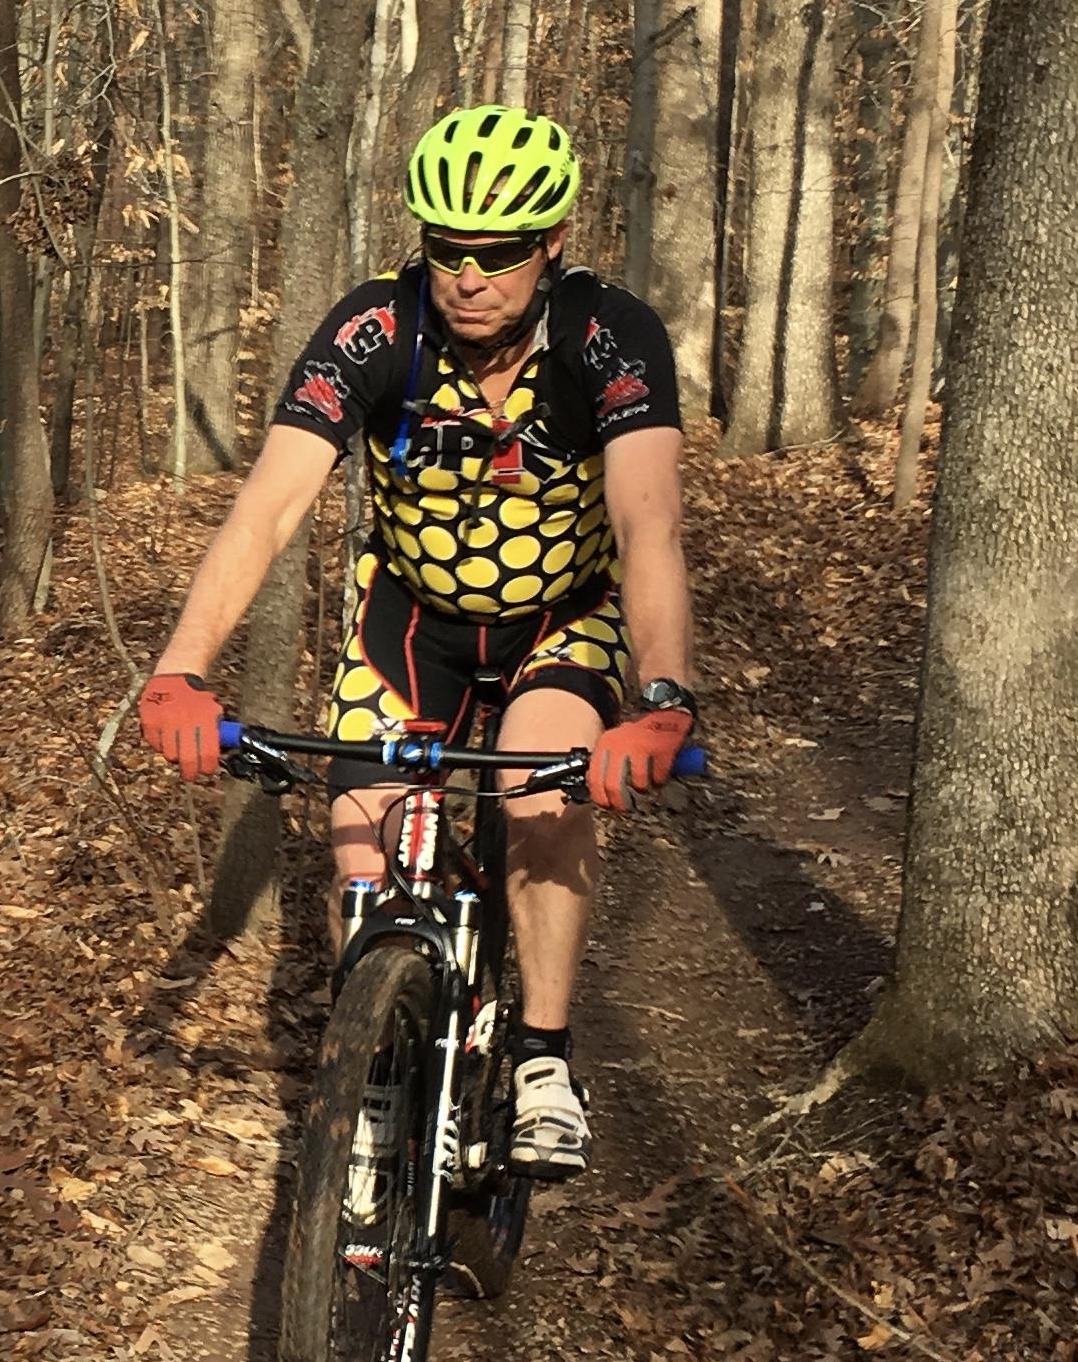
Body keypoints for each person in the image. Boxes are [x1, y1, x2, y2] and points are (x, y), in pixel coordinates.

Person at [135, 105, 697, 1181]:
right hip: (413, 619)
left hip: (559, 615)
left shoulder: (607, 335)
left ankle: (538, 1055)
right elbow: (267, 506)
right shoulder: (373, 330)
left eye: (495, 253)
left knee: (539, 788)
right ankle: (383, 1079)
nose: (467, 276)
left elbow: (647, 522)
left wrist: (661, 696)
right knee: (362, 827)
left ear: (551, 244)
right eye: (446, 249)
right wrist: (177, 671)